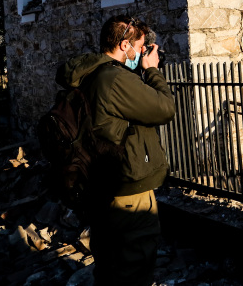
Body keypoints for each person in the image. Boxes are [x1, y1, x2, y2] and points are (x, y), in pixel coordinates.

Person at [56, 15, 175, 286]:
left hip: (101, 184)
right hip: (127, 192)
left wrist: (138, 71)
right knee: (133, 268)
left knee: (110, 265)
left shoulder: (90, 75)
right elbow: (165, 109)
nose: (141, 53)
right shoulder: (114, 79)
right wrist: (152, 70)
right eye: (139, 47)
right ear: (124, 45)